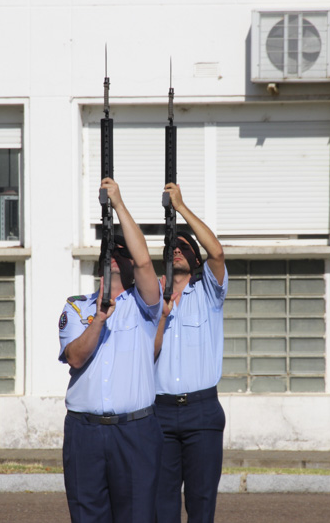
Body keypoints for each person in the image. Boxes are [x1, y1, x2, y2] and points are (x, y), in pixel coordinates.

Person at [58, 177, 163, 523]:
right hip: (85, 432)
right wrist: (99, 319)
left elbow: (146, 262)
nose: (116, 260)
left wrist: (118, 204)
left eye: (123, 255)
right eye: (110, 255)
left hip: (133, 432)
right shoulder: (77, 308)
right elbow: (74, 357)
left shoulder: (143, 305)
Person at [153, 182, 228, 523]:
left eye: (184, 246)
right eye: (172, 246)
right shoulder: (150, 297)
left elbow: (218, 253)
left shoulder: (208, 293)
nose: (177, 250)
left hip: (202, 411)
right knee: (162, 506)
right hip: (159, 412)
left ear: (195, 258)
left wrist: (180, 207)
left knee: (201, 506)